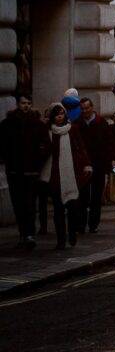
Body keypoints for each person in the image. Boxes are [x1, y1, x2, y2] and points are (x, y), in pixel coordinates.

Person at [0, 96, 49, 248]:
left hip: (32, 171)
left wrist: (39, 160)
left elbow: (46, 145)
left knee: (30, 204)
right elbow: (2, 144)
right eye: (23, 103)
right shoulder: (8, 123)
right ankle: (23, 233)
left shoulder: (38, 124)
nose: (26, 106)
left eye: (28, 103)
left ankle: (30, 234)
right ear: (17, 104)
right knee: (18, 204)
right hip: (14, 170)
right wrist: (6, 159)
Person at [40, 104, 90, 249]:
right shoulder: (48, 131)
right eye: (57, 114)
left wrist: (86, 164)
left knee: (73, 208)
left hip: (71, 174)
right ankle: (61, 240)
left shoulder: (72, 129)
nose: (60, 116)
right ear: (52, 117)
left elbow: (80, 148)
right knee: (58, 210)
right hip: (55, 175)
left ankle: (72, 233)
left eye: (62, 113)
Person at [76, 97, 114, 234]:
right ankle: (81, 225)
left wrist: (109, 162)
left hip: (98, 164)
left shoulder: (101, 122)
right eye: (83, 108)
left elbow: (108, 144)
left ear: (92, 107)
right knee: (83, 196)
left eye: (87, 108)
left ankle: (93, 224)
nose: (85, 110)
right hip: (83, 166)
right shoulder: (78, 124)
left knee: (96, 197)